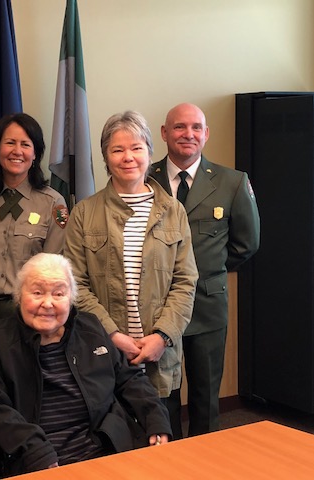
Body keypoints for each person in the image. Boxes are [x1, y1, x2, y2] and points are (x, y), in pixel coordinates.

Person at [64, 111, 198, 440]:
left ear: (150, 153)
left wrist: (162, 336)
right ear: (106, 158)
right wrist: (113, 335)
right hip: (104, 354)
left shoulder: (174, 211)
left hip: (159, 355)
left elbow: (185, 281)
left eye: (136, 148)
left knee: (164, 445)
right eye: (117, 150)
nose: (128, 158)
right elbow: (75, 284)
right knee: (113, 446)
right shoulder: (84, 213)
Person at [0, 253, 172, 477]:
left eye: (58, 293)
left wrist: (156, 418)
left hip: (104, 450)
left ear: (71, 298)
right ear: (19, 295)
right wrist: (34, 450)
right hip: (37, 460)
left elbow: (130, 380)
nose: (47, 303)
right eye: (37, 292)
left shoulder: (90, 328)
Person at [150, 102, 260, 436]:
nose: (189, 134)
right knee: (162, 393)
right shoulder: (144, 178)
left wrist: (205, 272)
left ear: (206, 134)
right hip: (156, 306)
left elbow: (247, 244)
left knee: (205, 396)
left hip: (206, 305)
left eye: (196, 127)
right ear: (165, 133)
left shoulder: (232, 182)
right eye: (180, 127)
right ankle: (166, 462)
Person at [0, 113, 68, 327]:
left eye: (25, 144)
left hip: (31, 315)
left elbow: (52, 269)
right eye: (10, 143)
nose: (17, 151)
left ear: (35, 154)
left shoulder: (53, 204)